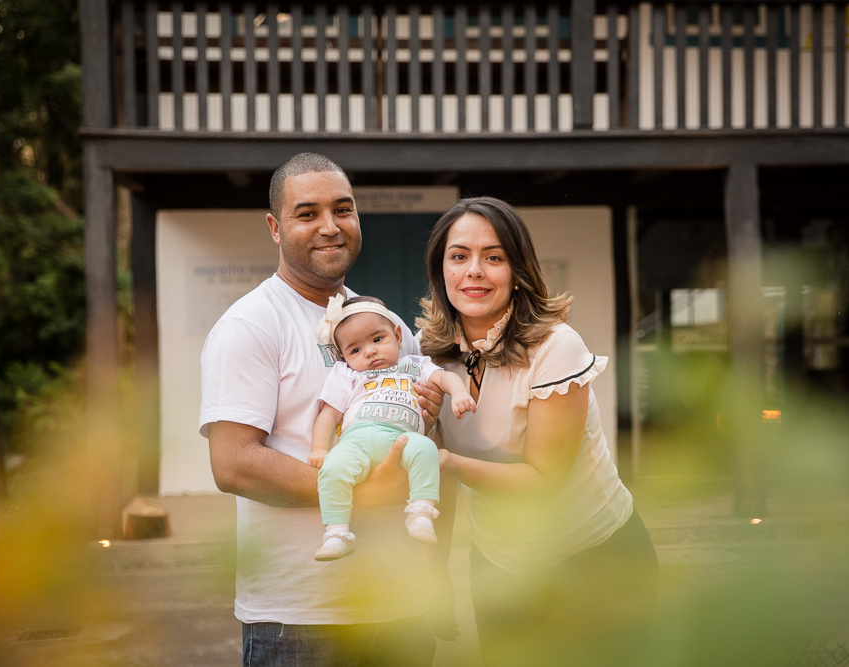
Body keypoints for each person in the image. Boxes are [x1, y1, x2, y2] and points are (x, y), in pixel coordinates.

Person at [200, 153, 447, 666]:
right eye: (307, 213)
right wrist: (364, 493)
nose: (330, 226)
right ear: (275, 227)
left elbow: (425, 439)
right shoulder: (251, 325)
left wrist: (430, 418)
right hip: (301, 615)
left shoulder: (384, 325)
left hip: (401, 605)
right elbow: (234, 463)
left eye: (343, 209)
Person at [417, 197, 659, 666]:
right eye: (459, 256)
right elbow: (435, 481)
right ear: (440, 270)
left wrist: (447, 462)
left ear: (518, 269)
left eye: (494, 256)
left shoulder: (555, 347)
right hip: (498, 564)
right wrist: (436, 571)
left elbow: (544, 482)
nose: (474, 270)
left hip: (595, 559)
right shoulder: (431, 354)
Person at [308, 294, 476, 560]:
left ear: (398, 336)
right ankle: (337, 532)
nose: (370, 351)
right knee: (333, 469)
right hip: (355, 442)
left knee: (426, 450)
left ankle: (421, 512)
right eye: (355, 350)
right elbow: (328, 415)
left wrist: (459, 393)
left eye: (377, 339)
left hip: (402, 438)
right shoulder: (347, 375)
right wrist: (319, 448)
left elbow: (445, 378)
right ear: (343, 357)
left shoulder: (415, 365)